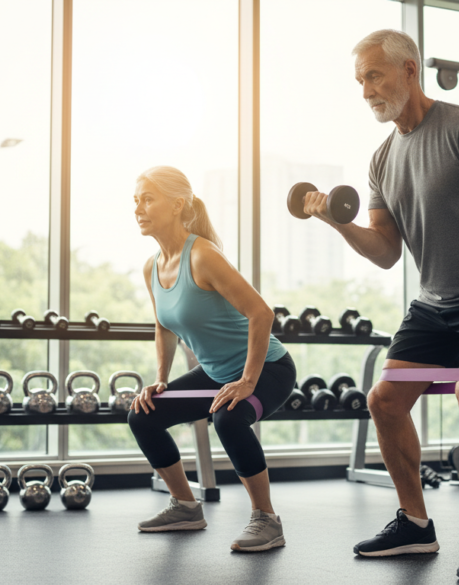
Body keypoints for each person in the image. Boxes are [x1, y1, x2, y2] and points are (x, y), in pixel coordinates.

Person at [303, 30, 459, 581]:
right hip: (434, 302)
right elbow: (386, 252)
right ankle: (414, 524)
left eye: (374, 75)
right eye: (359, 80)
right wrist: (338, 224)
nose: (365, 90)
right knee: (383, 400)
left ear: (409, 70)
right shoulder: (383, 158)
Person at [126, 165, 296, 553]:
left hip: (268, 369)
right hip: (217, 373)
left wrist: (248, 381)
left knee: (229, 416)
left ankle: (267, 520)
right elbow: (164, 327)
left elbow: (262, 314)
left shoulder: (202, 255)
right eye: (136, 200)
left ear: (177, 204)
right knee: (143, 415)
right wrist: (161, 379)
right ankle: (186, 506)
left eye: (148, 198)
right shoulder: (152, 266)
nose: (139, 208)